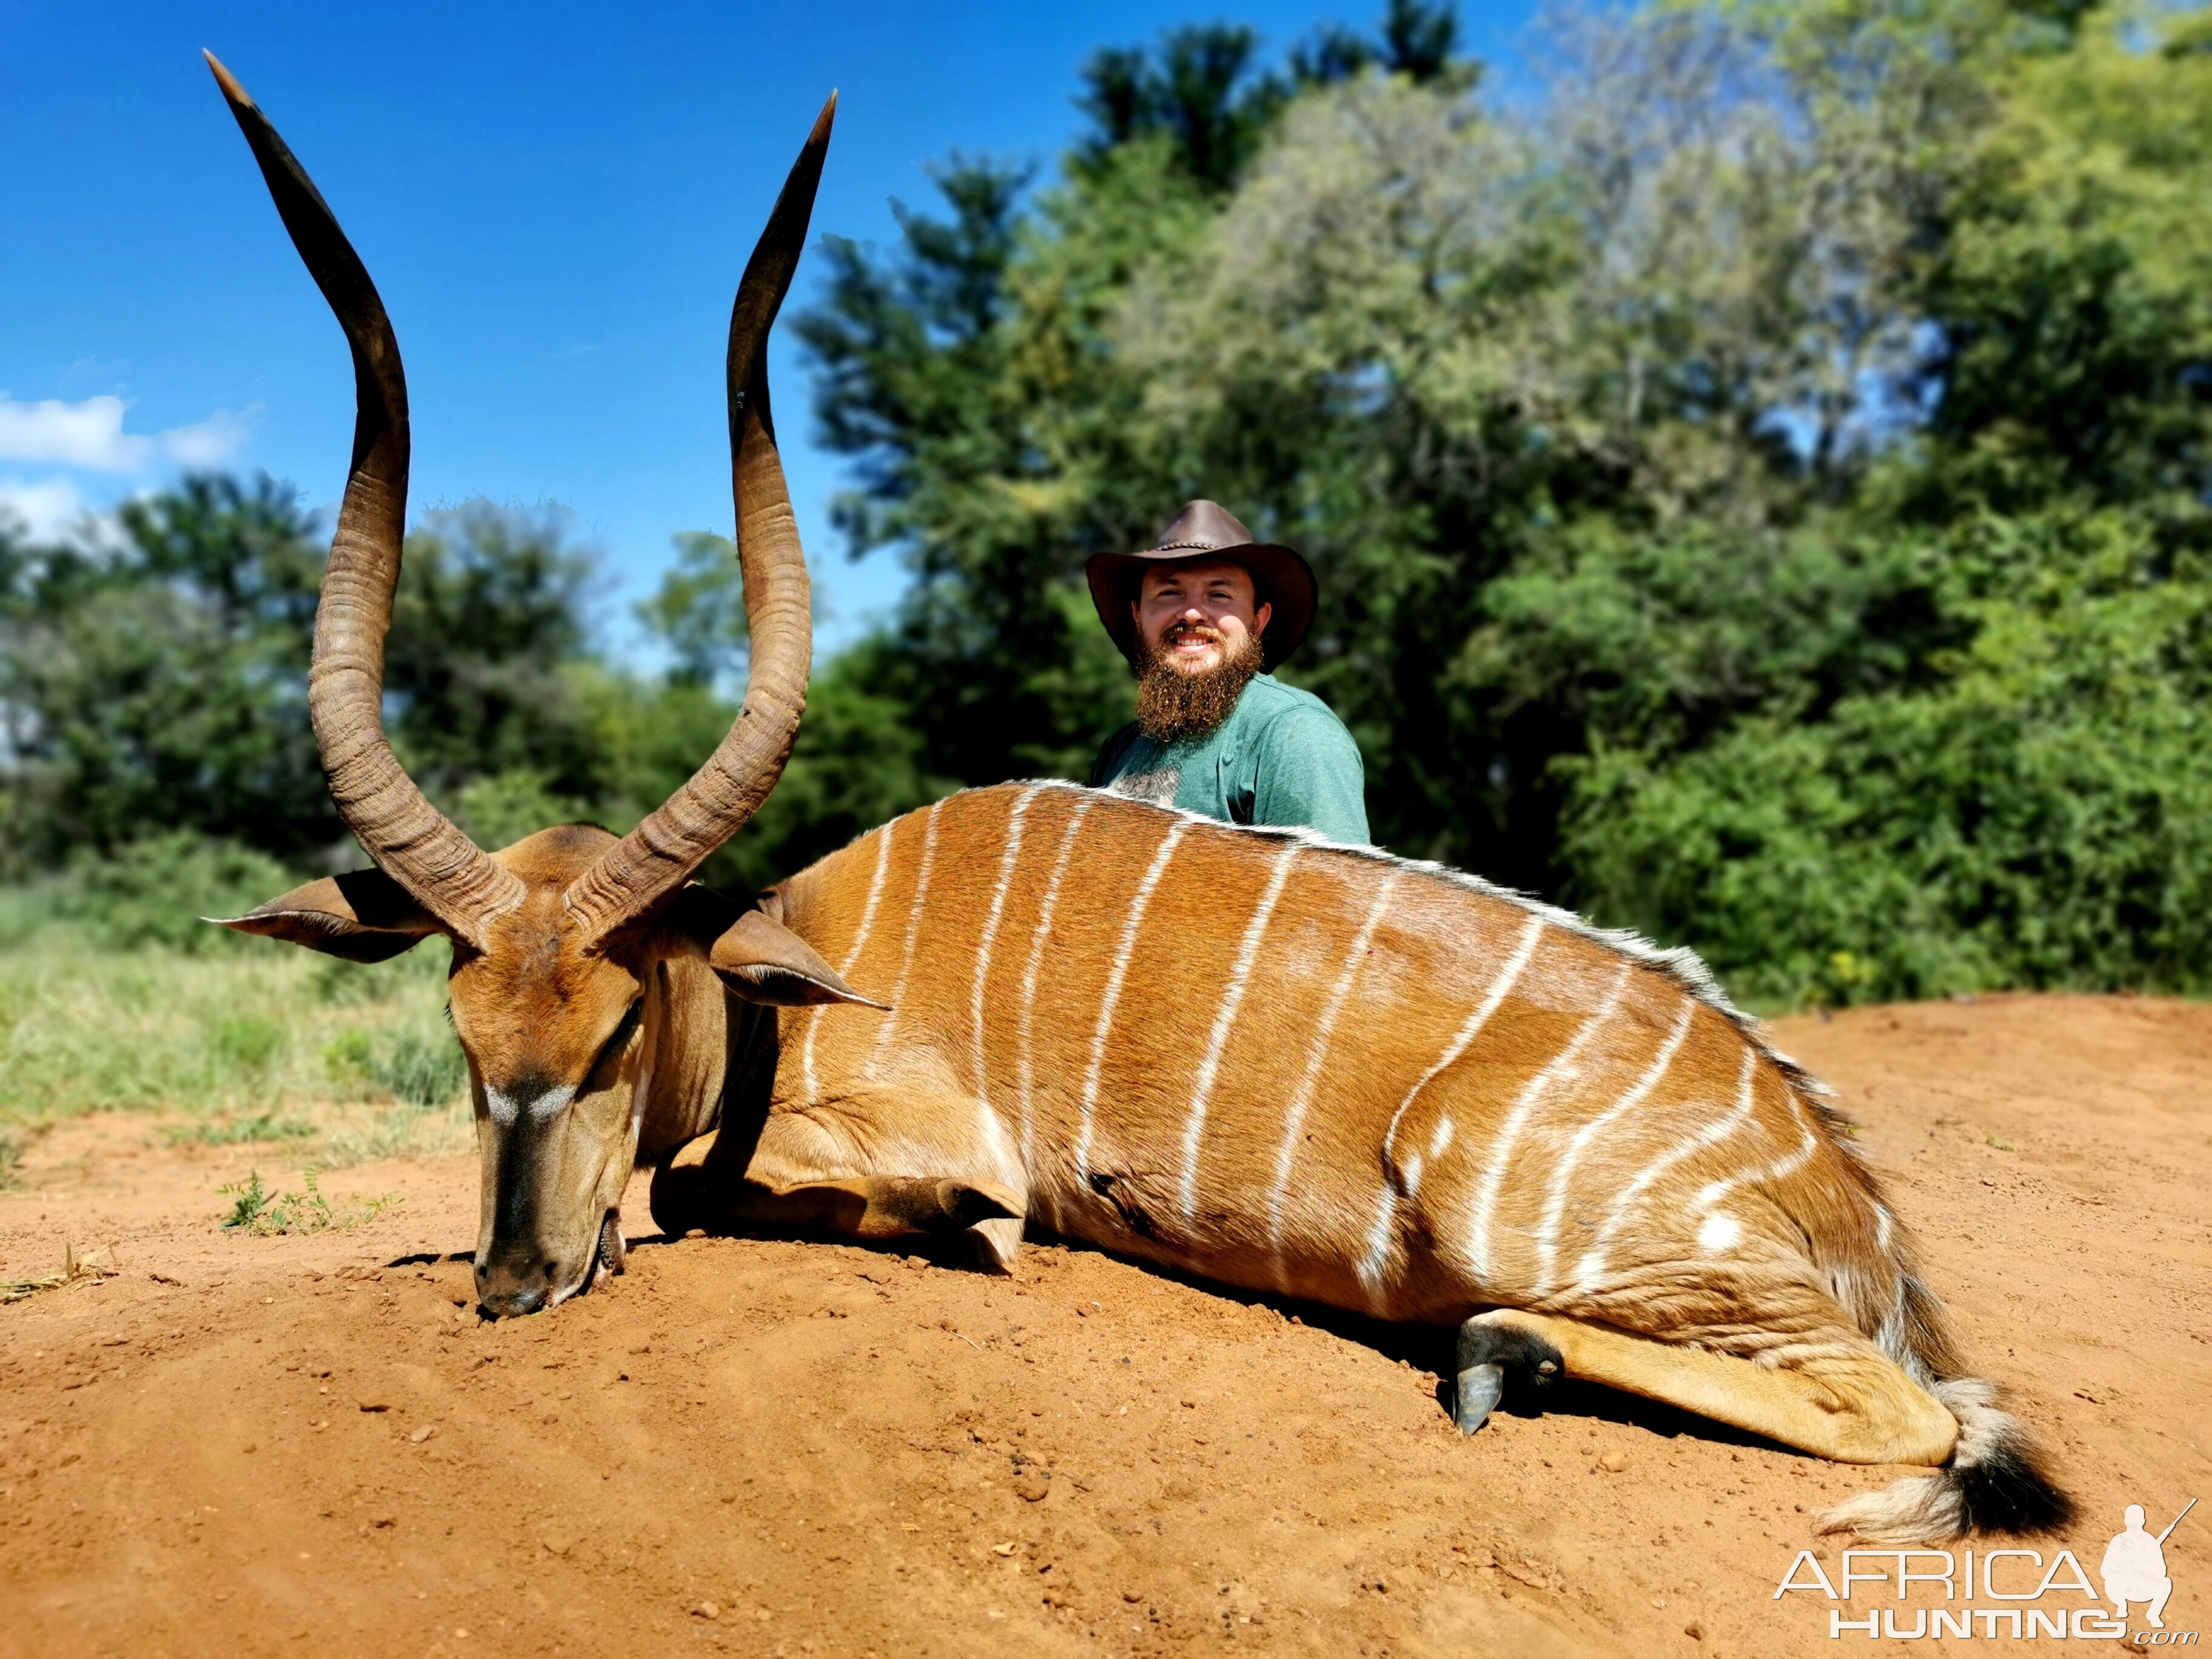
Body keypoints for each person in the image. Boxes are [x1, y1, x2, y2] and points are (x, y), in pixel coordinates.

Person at [1085, 500, 1369, 844]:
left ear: (1258, 621)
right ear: (1137, 616)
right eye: (1169, 592)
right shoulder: (1120, 749)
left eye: (1219, 594)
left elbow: (1332, 894)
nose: (1191, 614)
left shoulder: (1293, 732)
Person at [2101, 1504, 2175, 1629]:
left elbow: (2162, 1570)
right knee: (2112, 1580)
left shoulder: (2150, 1542)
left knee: (2166, 1583)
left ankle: (2153, 1614)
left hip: (2143, 1588)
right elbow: (2106, 1569)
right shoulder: (2119, 1540)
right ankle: (2121, 1605)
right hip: (2122, 1588)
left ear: (2143, 1521)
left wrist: (2145, 1567)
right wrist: (2123, 1569)